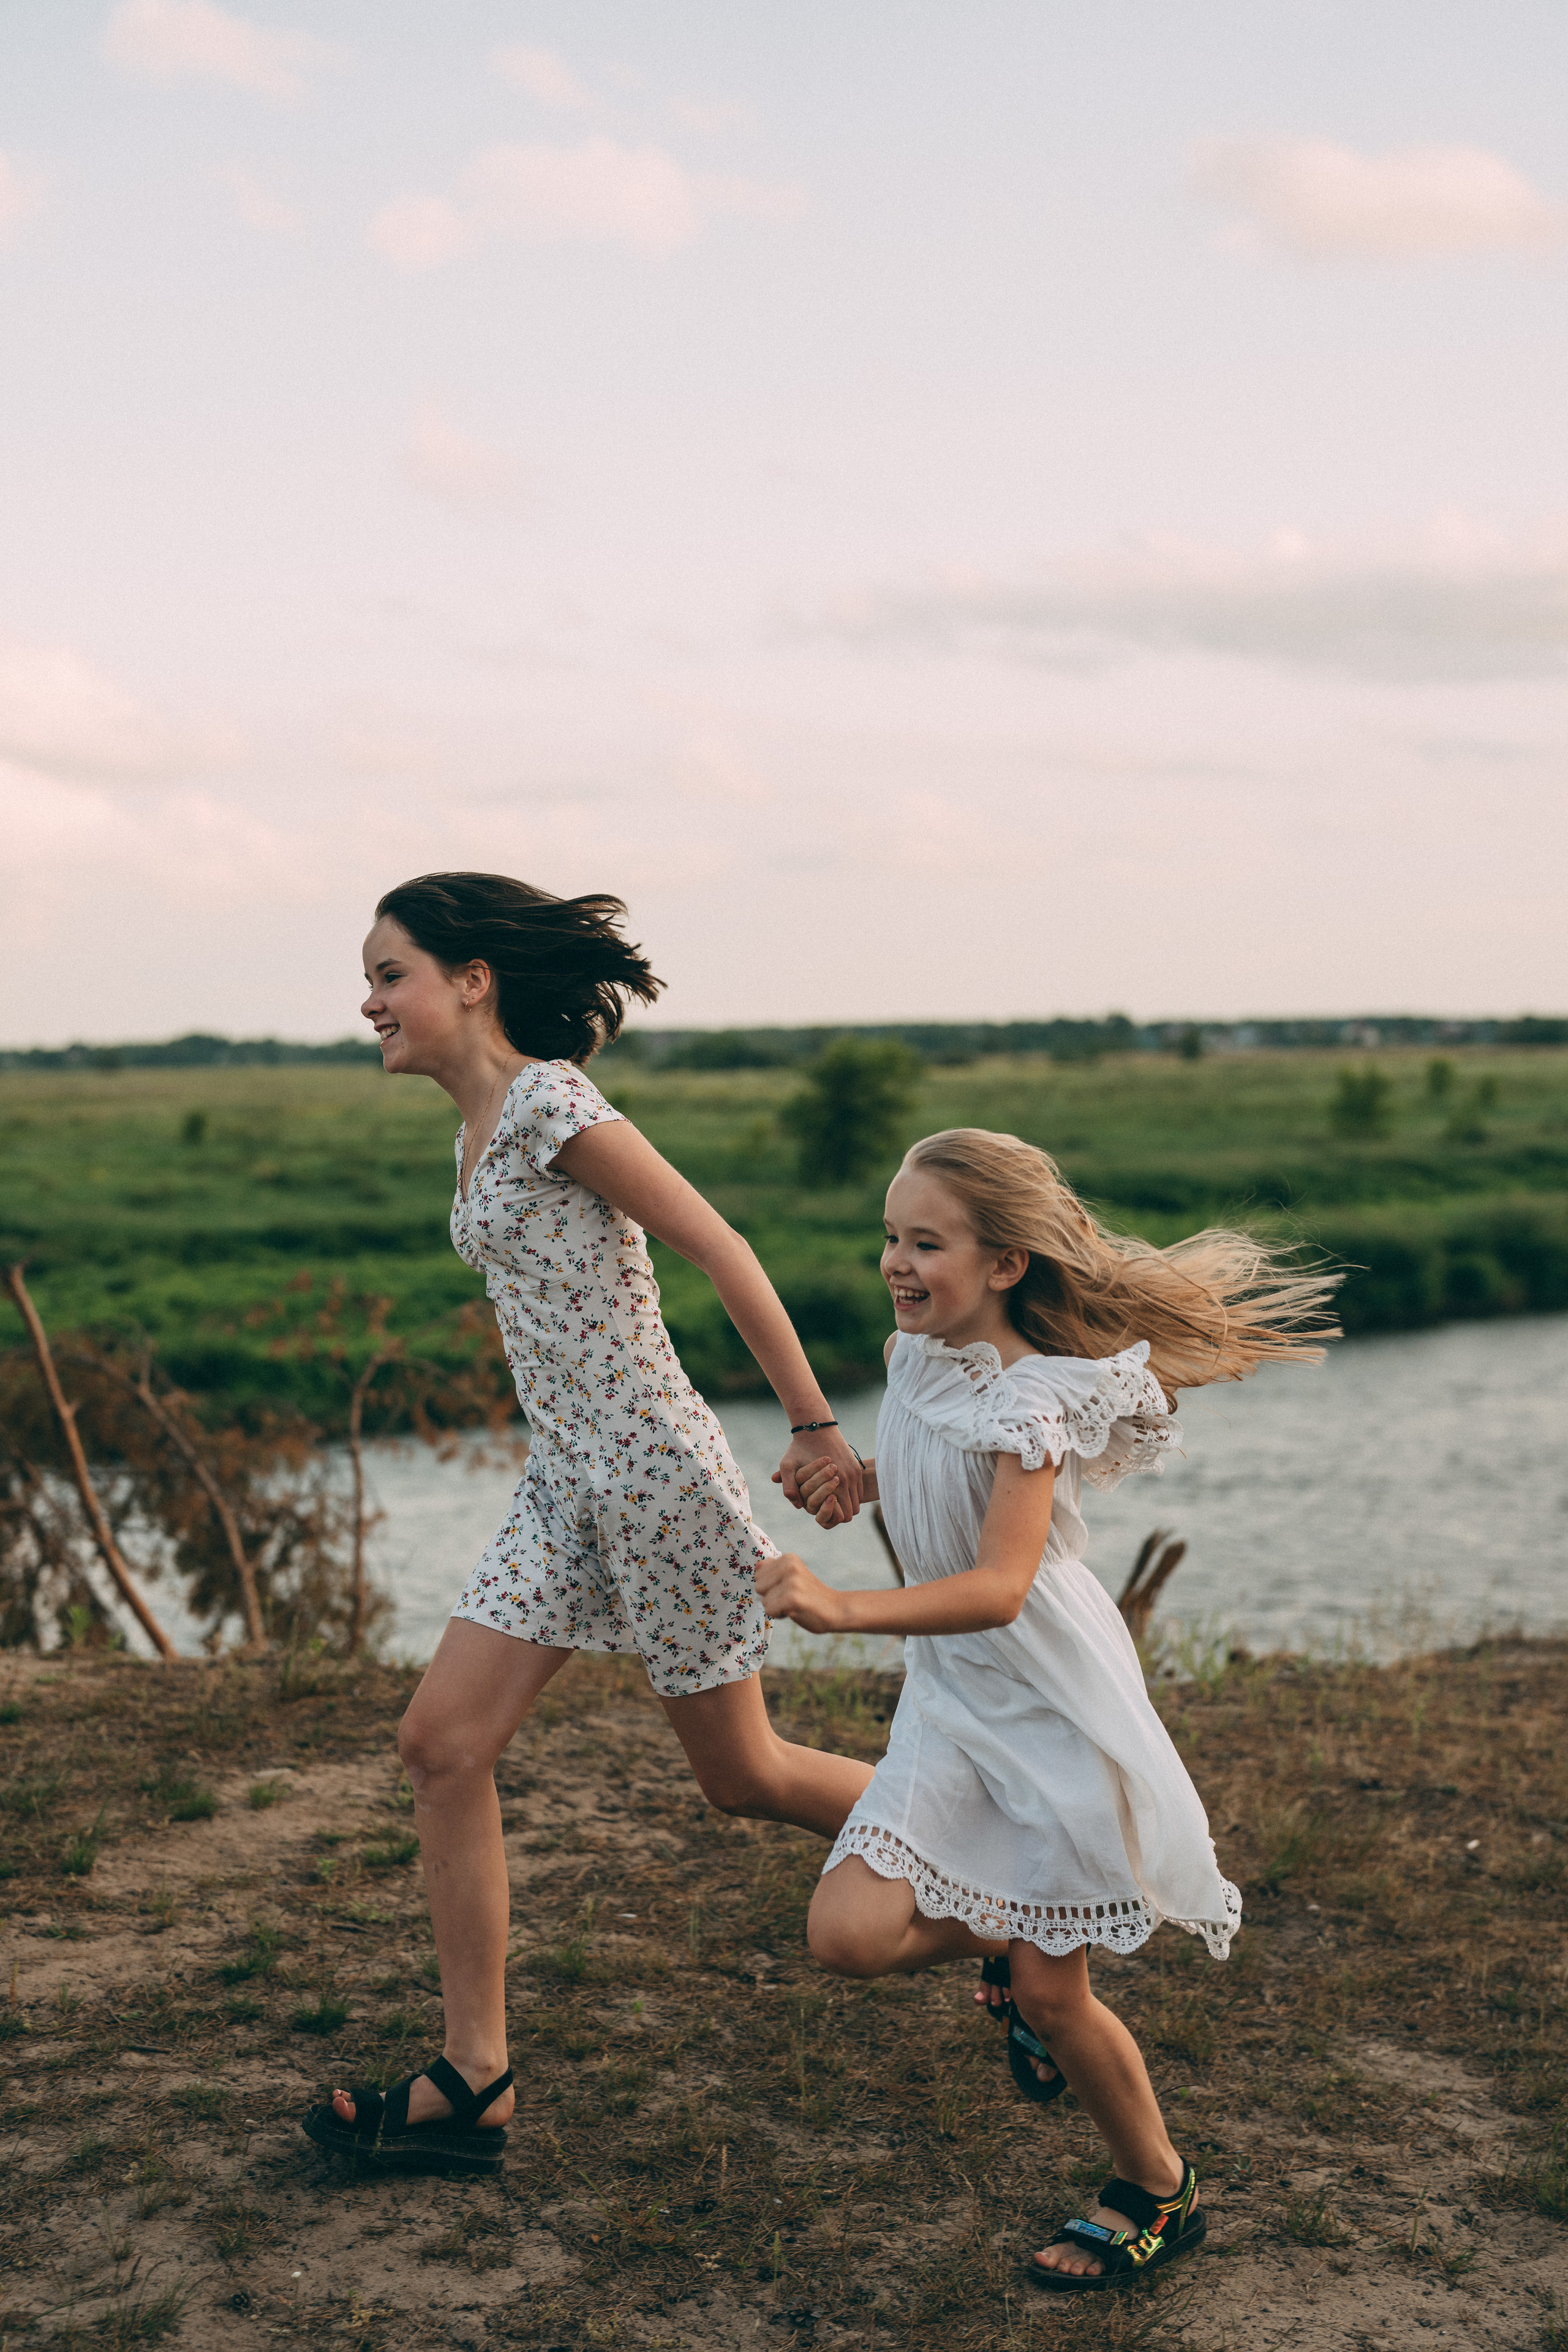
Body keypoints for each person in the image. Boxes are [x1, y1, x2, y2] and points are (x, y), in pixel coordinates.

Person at [302, 871, 872, 2175]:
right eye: (370, 980)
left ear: (471, 981)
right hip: (563, 1485)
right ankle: (474, 2078)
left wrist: (812, 1427)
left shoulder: (552, 1102)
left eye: (390, 976)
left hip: (656, 1477)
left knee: (745, 1778)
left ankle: (1002, 1869)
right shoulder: (475, 1126)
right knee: (442, 1745)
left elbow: (720, 1247)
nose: (370, 1002)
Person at [756, 1127, 1338, 2293]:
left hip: (1045, 1694)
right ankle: (1009, 1927)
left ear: (1006, 1263)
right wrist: (859, 1477)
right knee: (847, 1937)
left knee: (1053, 1993)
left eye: (928, 1243)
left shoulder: (1035, 1402)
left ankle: (1158, 2189)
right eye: (890, 1237)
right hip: (954, 1695)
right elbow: (938, 1465)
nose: (897, 1262)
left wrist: (842, 1609)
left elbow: (998, 1587)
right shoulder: (917, 1359)